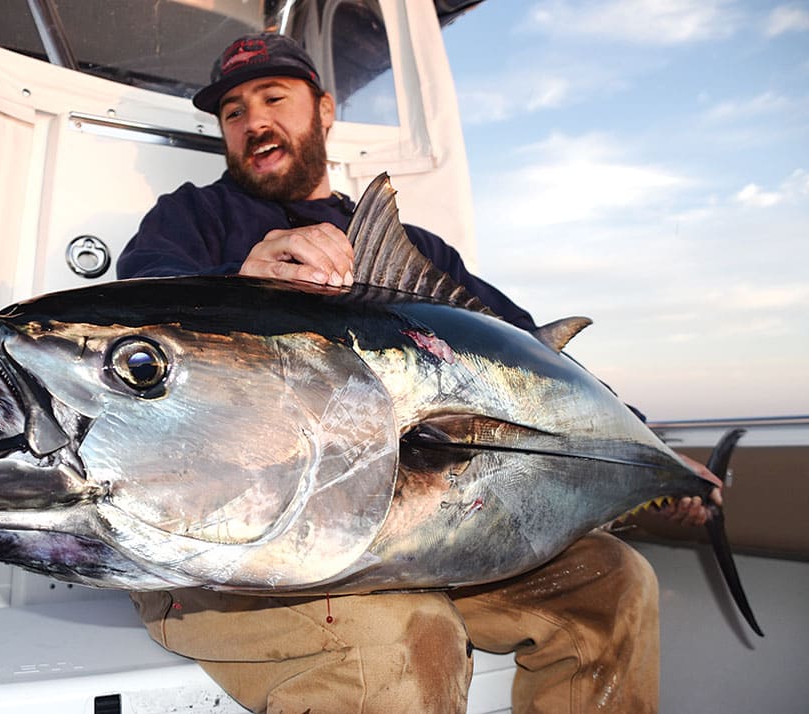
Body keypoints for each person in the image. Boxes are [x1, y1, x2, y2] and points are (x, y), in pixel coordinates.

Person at [117, 33, 718, 714]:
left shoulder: (419, 256)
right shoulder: (192, 218)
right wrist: (234, 281)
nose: (253, 122)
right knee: (404, 640)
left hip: (421, 538)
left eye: (273, 98)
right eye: (233, 111)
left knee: (613, 584)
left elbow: (538, 364)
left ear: (325, 108)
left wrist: (651, 452)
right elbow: (139, 321)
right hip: (251, 549)